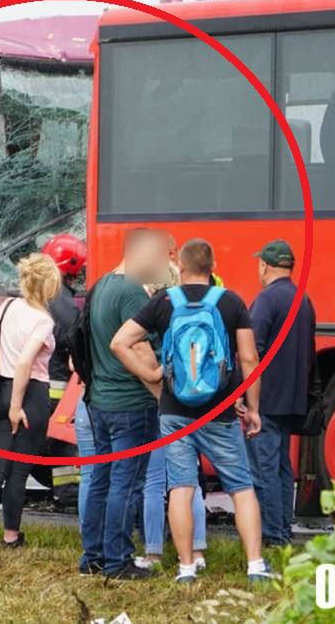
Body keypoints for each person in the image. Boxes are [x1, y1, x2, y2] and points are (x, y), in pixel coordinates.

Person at [112, 238, 273, 585]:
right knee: (241, 487)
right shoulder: (230, 302)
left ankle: (186, 568)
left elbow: (120, 342)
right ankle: (255, 565)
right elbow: (249, 359)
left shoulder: (164, 302)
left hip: (174, 410)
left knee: (181, 488)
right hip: (220, 411)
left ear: (181, 268)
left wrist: (151, 374)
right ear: (213, 267)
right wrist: (253, 408)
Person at [78, 229, 165, 579]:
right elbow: (139, 348)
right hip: (130, 402)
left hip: (99, 401)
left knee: (101, 479)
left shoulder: (101, 286)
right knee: (125, 484)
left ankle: (93, 557)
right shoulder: (131, 293)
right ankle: (118, 561)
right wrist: (162, 391)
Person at [0, 253, 59, 552]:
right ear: (49, 286)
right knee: (18, 471)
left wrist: (6, 401)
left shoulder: (7, 306)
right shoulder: (43, 320)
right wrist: (17, 406)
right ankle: (10, 535)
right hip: (28, 395)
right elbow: (24, 363)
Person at [136, 231, 207, 573]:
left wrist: (154, 382)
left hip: (159, 405)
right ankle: (198, 549)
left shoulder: (153, 311)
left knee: (155, 481)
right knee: (188, 478)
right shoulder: (190, 307)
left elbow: (140, 357)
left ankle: (152, 552)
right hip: (191, 401)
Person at [247, 240, 316, 547]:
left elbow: (253, 351)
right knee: (282, 468)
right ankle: (283, 530)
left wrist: (246, 397)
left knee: (264, 471)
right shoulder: (303, 299)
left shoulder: (266, 300)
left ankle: (273, 535)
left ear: (265, 265)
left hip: (266, 400)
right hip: (292, 399)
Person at [41, 234, 86, 510]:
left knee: (52, 442)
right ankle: (68, 493)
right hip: (60, 384)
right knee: (63, 443)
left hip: (41, 381)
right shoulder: (68, 306)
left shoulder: (41, 296)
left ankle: (65, 493)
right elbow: (74, 345)